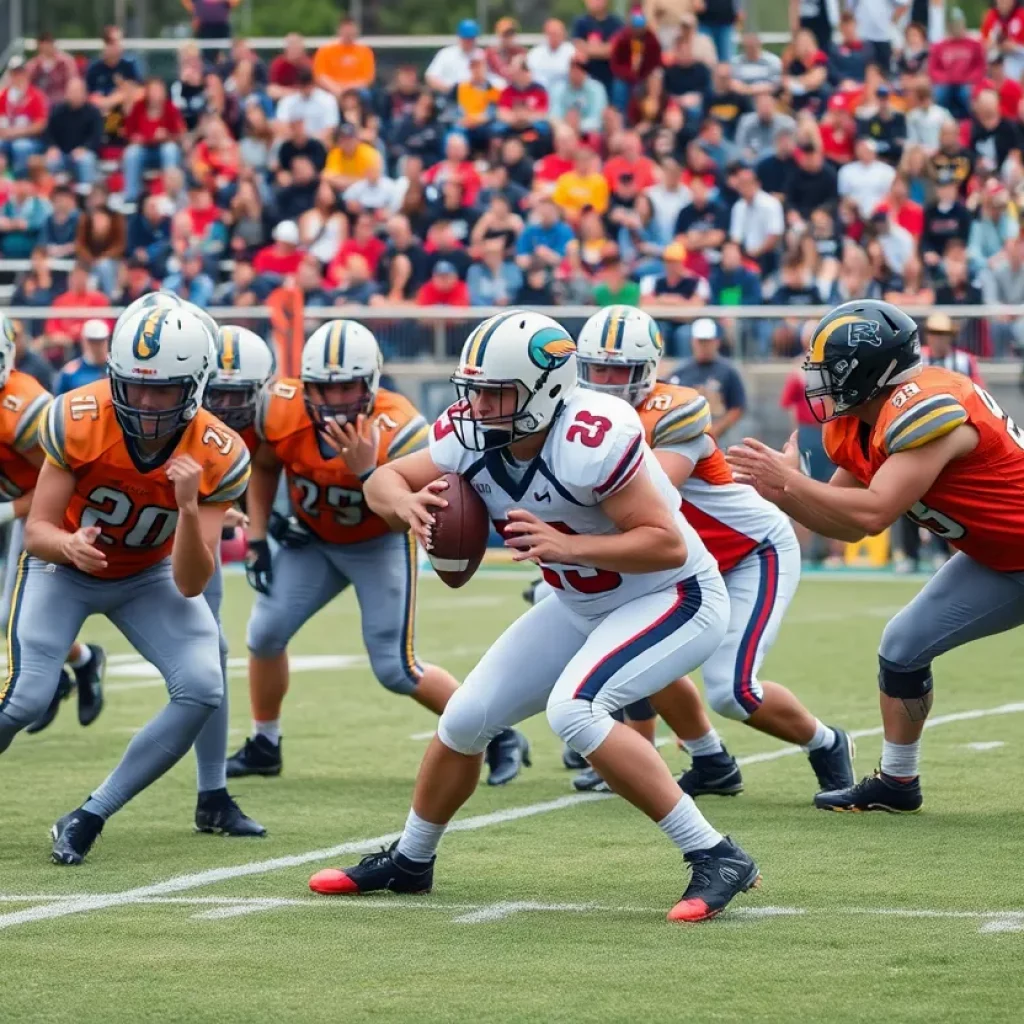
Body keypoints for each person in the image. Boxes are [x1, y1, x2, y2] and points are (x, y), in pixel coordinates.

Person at [309, 310, 761, 923]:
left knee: (574, 710)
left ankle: (715, 853)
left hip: (674, 596)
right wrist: (407, 503)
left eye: (497, 392)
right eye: (475, 390)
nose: (480, 405)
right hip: (583, 603)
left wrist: (570, 545)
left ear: (547, 389)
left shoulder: (594, 435)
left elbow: (667, 543)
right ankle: (412, 861)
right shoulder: (468, 432)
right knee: (466, 718)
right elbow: (385, 477)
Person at [727, 298, 1024, 813]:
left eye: (831, 371)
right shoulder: (862, 420)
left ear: (868, 370)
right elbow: (844, 522)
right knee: (903, 645)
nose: (818, 383)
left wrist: (791, 482)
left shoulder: (926, 405)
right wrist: (785, 492)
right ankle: (898, 782)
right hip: (997, 557)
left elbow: (873, 513)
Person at [4, 304, 256, 864]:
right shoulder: (78, 415)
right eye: (134, 388)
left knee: (202, 686)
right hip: (63, 570)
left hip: (151, 573)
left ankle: (89, 816)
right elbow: (37, 531)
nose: (143, 404)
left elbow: (193, 583)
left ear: (194, 387)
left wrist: (188, 510)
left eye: (161, 391)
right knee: (25, 699)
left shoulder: (219, 454)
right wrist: (68, 545)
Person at [230, 321, 528, 786]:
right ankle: (265, 742)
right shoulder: (280, 408)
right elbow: (265, 465)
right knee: (264, 634)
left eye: (347, 386)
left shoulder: (401, 426)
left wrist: (367, 471)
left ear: (370, 383)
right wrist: (258, 535)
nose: (335, 400)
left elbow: (399, 518)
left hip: (377, 544)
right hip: (311, 541)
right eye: (323, 388)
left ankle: (500, 734)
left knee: (396, 668)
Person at [572, 306, 854, 796]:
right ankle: (710, 760)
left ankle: (826, 743)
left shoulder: (672, 411)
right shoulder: (575, 413)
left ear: (649, 370)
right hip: (679, 562)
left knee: (732, 691)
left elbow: (652, 497)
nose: (608, 381)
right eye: (598, 368)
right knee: (640, 654)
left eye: (620, 369)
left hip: (749, 553)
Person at [0, 312, 106, 736]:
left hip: (43, 509)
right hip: (9, 500)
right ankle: (77, 663)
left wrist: (11, 510)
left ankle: (55, 674)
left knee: (12, 610)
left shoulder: (20, 408)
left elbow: (61, 480)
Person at [666, 319, 746, 442]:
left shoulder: (728, 371)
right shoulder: (680, 372)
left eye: (708, 341)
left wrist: (716, 429)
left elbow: (737, 407)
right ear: (693, 342)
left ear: (716, 342)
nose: (704, 346)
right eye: (701, 341)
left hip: (721, 437)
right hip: (687, 436)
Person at [313, 17, 375, 98]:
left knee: (366, 95)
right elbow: (320, 75)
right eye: (345, 30)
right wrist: (336, 89)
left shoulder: (365, 51)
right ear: (339, 30)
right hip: (330, 91)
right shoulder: (324, 50)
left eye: (351, 29)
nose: (348, 33)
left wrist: (348, 89)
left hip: (356, 91)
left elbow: (367, 78)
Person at [53, 319, 110, 395]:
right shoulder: (70, 373)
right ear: (84, 341)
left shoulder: (115, 369)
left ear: (107, 340)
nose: (97, 346)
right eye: (92, 341)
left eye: (101, 341)